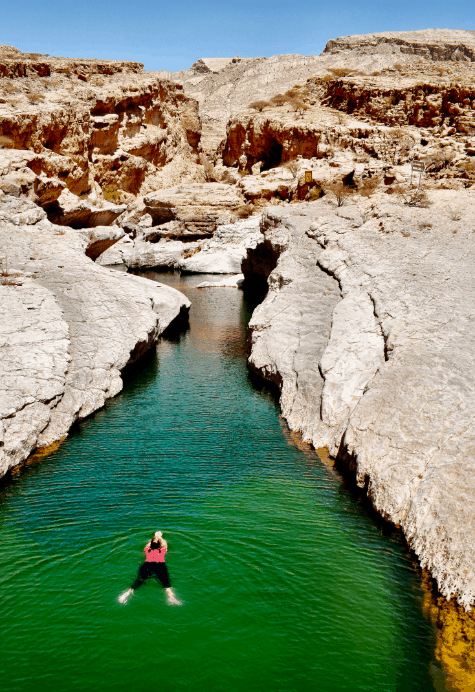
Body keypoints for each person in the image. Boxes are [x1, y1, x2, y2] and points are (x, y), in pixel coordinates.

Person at [119, 531, 181, 605]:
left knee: (138, 581)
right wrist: (160, 537)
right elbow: (164, 543)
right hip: (160, 565)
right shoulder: (163, 549)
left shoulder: (147, 549)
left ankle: (126, 594)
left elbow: (150, 543)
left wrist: (155, 537)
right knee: (166, 583)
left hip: (147, 565)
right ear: (160, 544)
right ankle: (171, 598)